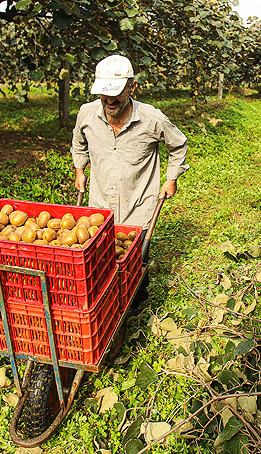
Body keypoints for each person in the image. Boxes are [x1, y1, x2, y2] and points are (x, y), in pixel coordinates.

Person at [70, 54, 188, 304]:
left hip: (138, 206)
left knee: (137, 262)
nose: (110, 100)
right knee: (98, 261)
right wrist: (80, 170)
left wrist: (172, 178)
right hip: (99, 205)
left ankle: (136, 306)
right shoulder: (87, 114)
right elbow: (78, 144)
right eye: (105, 93)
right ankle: (105, 302)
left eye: (117, 93)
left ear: (132, 87)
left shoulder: (152, 119)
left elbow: (178, 145)